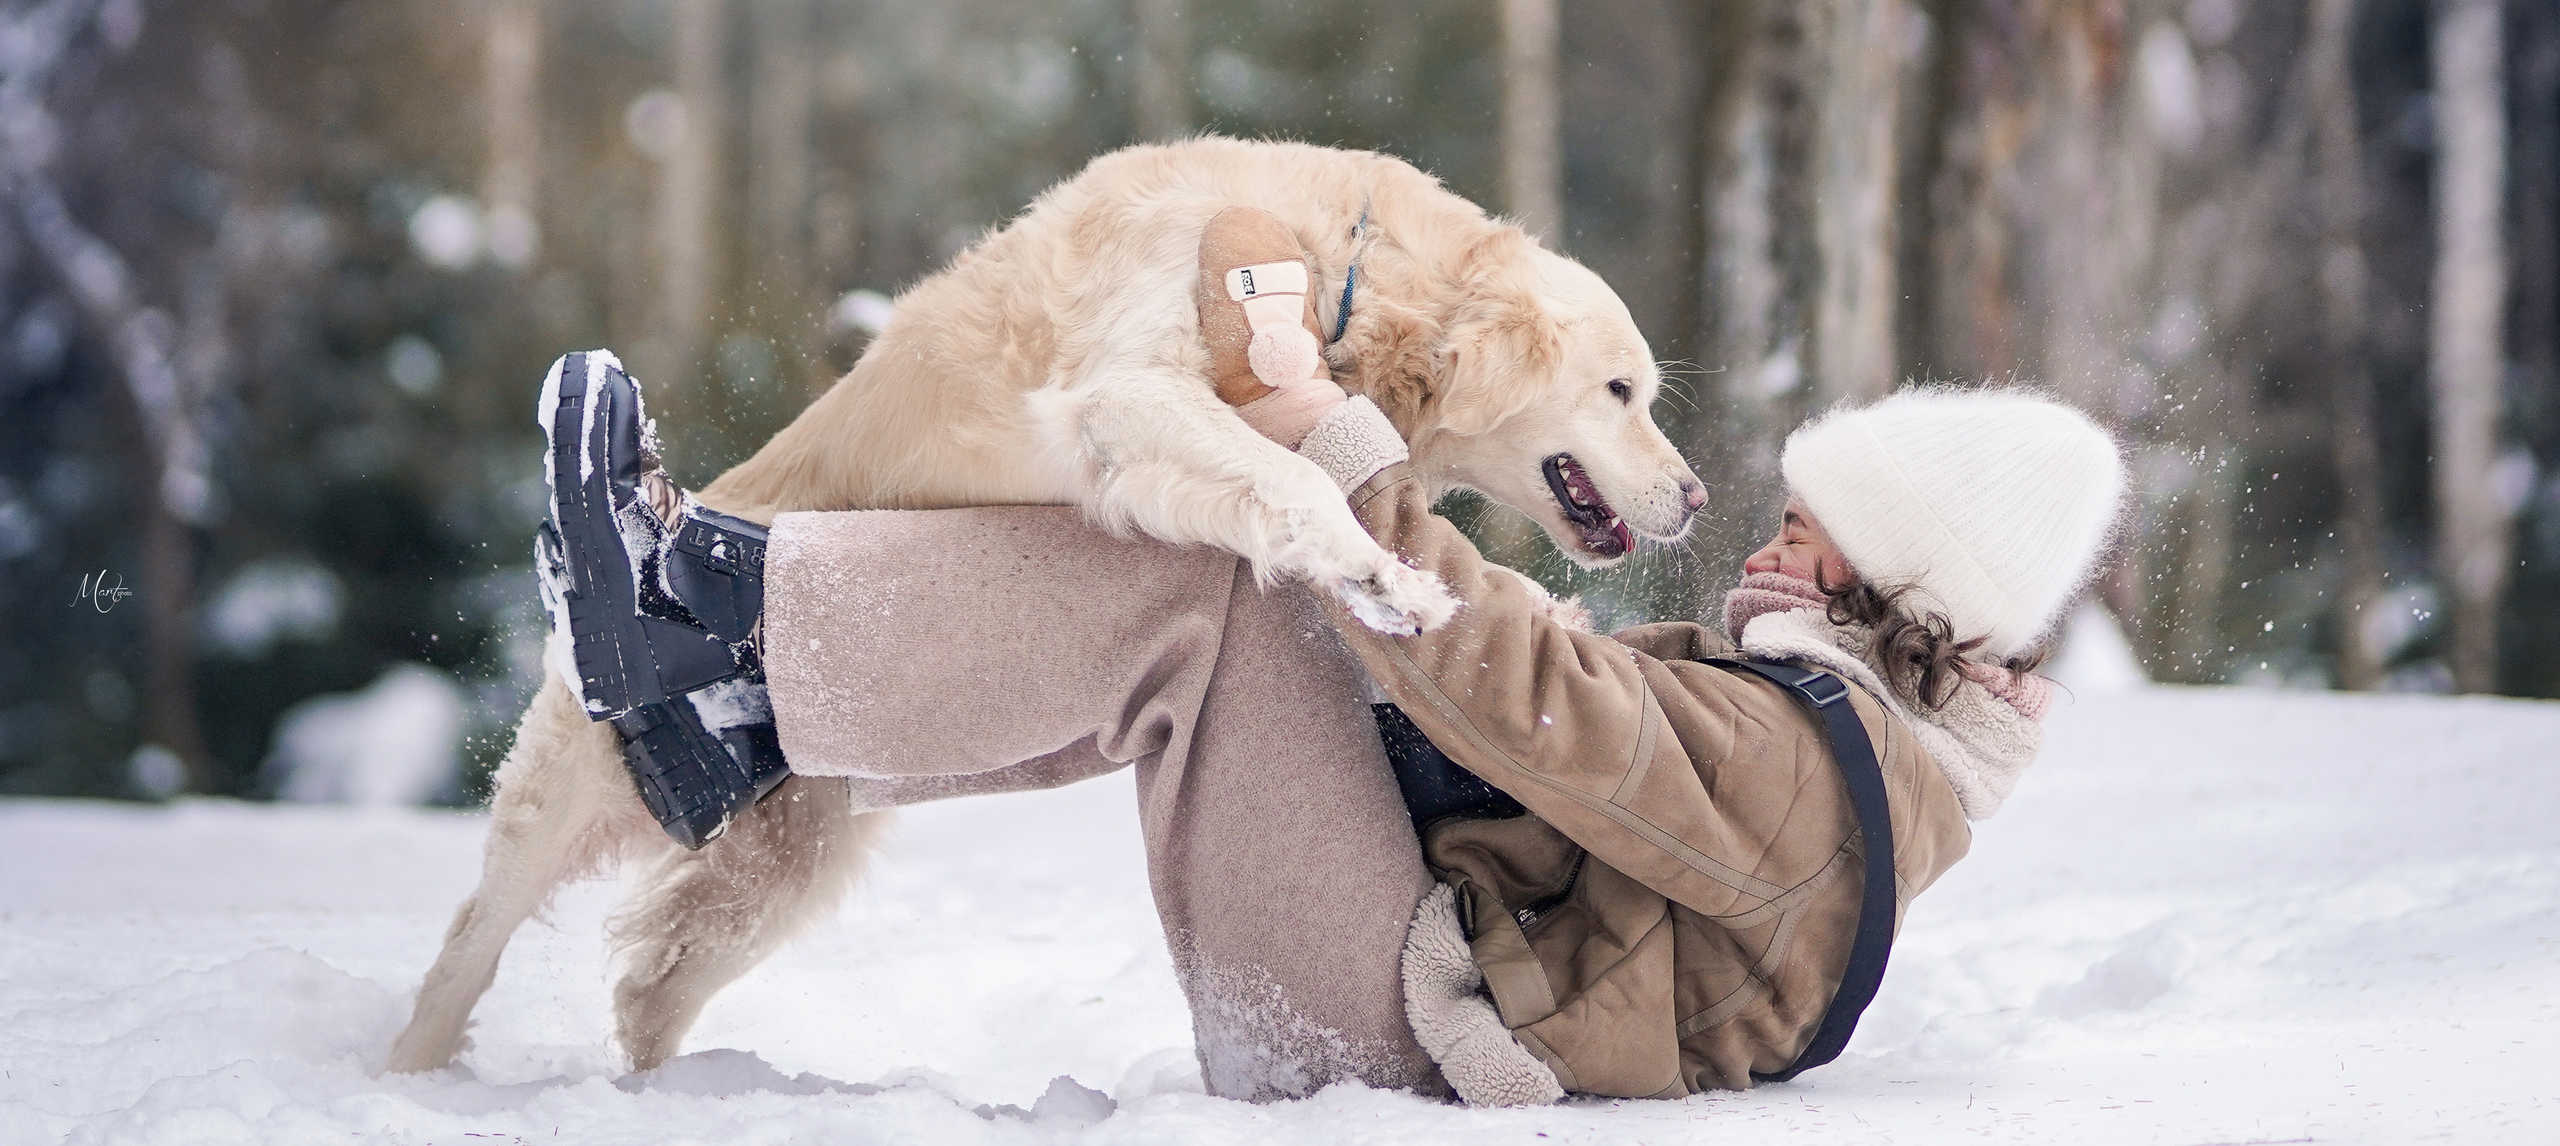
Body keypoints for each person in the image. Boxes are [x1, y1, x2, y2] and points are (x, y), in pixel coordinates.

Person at [539, 212, 2124, 1105]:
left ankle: (711, 622)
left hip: (1407, 1034)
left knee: (1224, 586)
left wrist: (1343, 464)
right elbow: (1571, 721)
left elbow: (1536, 706)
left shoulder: (1811, 773)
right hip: (1420, 970)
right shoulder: (1828, 741)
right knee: (1247, 576)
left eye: (1819, 530)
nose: (1772, 542)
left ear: (1906, 583)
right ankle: (745, 709)